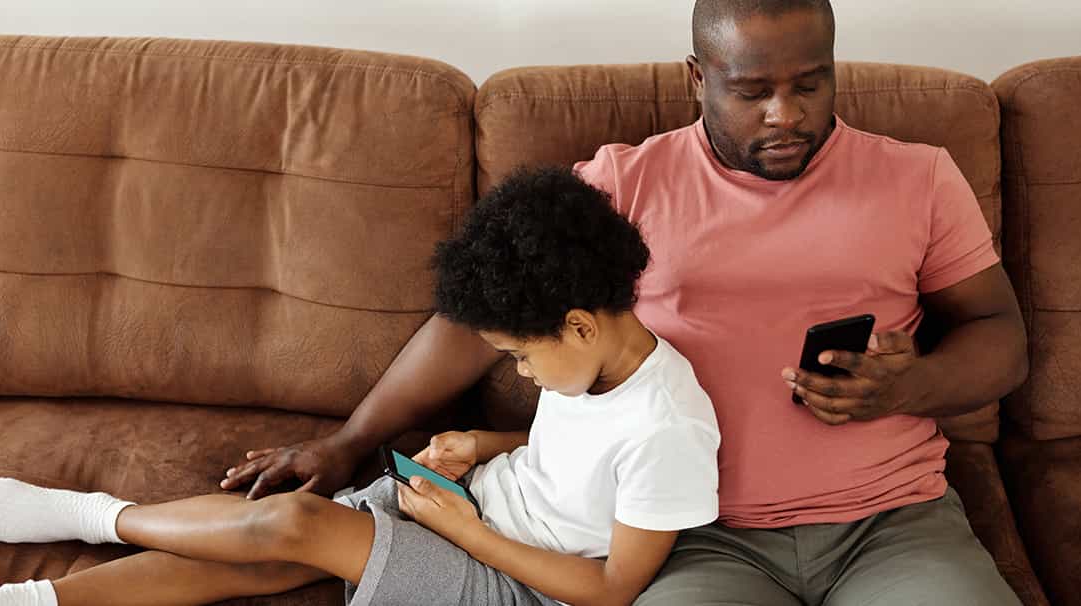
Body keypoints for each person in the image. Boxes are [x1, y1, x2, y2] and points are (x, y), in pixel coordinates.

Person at [221, 1, 1029, 604]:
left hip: (892, 523)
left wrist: (912, 384)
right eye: (753, 91)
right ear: (696, 77)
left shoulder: (917, 176)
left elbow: (1000, 334)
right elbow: (480, 323)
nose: (786, 114)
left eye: (810, 85)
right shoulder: (624, 182)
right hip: (693, 538)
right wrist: (351, 439)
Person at [0, 168, 721, 606]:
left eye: (518, 356)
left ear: (580, 325)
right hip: (476, 508)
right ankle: (37, 601)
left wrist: (466, 531)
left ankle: (95, 518)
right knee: (266, 552)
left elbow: (615, 588)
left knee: (291, 529)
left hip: (515, 580)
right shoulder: (590, 361)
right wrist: (487, 441)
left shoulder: (671, 427)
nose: (517, 373)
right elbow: (583, 455)